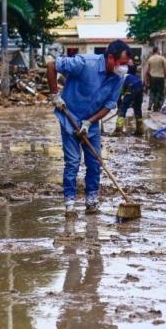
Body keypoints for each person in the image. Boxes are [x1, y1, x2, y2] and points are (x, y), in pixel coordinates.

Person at [47, 40, 130, 216]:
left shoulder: (118, 78)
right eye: (121, 63)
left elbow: (109, 104)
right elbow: (52, 65)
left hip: (90, 125)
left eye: (126, 64)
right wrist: (55, 95)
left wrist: (89, 122)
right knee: (73, 162)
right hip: (69, 118)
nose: (123, 68)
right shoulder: (85, 63)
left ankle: (91, 201)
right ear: (110, 58)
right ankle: (70, 203)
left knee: (94, 163)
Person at [111, 60, 144, 137]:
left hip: (132, 85)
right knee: (137, 107)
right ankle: (140, 129)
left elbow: (119, 96)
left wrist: (120, 109)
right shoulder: (126, 76)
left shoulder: (119, 79)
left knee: (123, 107)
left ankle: (118, 129)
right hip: (139, 84)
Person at [145, 46, 166, 112]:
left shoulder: (150, 59)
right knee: (160, 92)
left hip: (152, 78)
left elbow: (147, 71)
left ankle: (150, 105)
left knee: (152, 91)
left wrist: (147, 80)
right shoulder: (162, 58)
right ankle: (156, 106)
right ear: (158, 51)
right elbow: (165, 69)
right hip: (160, 78)